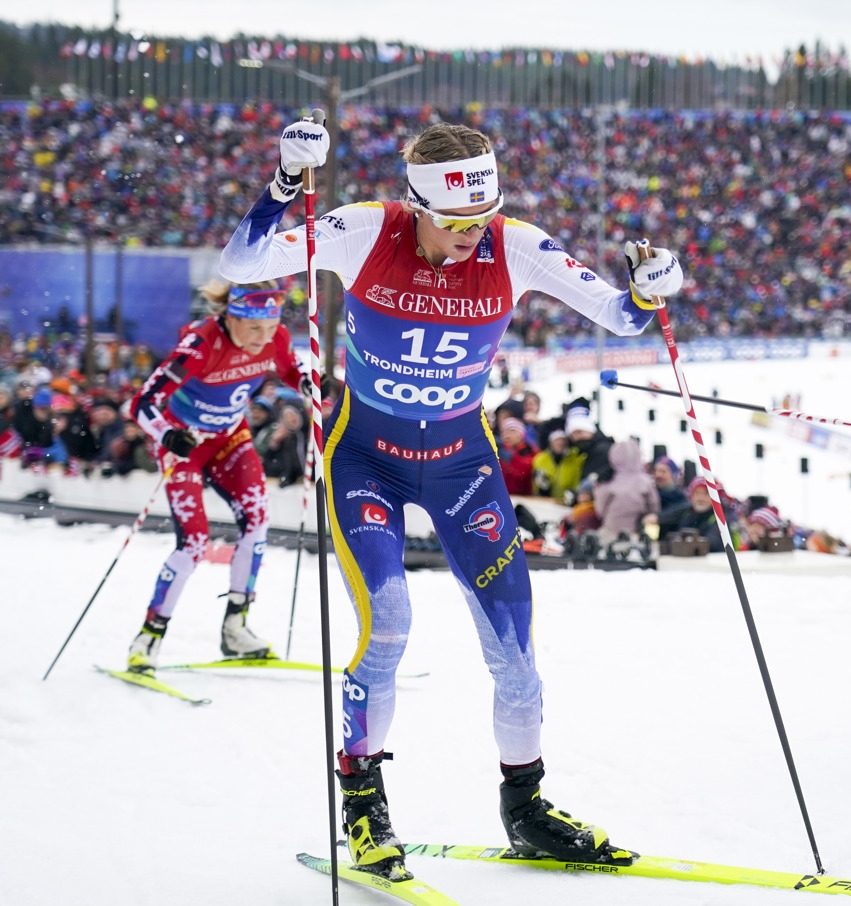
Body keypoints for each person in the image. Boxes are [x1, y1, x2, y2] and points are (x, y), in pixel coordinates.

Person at [218, 117, 685, 881]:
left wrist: (650, 286)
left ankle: (526, 808)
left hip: (462, 464)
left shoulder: (518, 245)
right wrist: (286, 182)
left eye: (483, 217)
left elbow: (624, 316)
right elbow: (243, 263)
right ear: (416, 202)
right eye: (456, 221)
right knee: (391, 624)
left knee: (517, 656)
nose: (473, 234)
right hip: (367, 459)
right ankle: (363, 804)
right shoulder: (365, 231)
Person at [125, 280, 305, 675]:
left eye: (270, 326)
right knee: (194, 543)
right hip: (184, 442)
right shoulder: (201, 343)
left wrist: (310, 383)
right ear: (229, 317)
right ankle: (149, 637)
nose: (263, 338)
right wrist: (167, 435)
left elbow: (290, 368)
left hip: (229, 438)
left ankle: (235, 628)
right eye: (253, 328)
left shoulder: (275, 336)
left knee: (258, 520)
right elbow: (141, 403)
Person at [594, 438, 660, 540]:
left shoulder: (608, 481)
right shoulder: (646, 481)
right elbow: (654, 507)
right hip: (637, 532)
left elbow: (600, 510)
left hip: (612, 530)